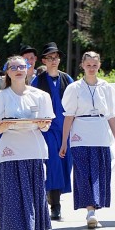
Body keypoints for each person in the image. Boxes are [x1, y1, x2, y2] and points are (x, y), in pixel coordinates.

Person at [0, 55, 54, 230]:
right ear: (7, 71)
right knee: (14, 195)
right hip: (10, 151)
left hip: (33, 149)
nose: (18, 70)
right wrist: (5, 124)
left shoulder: (40, 96)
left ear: (27, 69)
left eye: (21, 66)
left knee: (33, 193)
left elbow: (46, 125)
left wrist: (43, 124)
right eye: (13, 67)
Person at [59, 51, 115, 229]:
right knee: (83, 172)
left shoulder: (107, 88)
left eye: (95, 65)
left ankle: (93, 209)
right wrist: (64, 142)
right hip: (80, 135)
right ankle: (90, 211)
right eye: (88, 65)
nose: (92, 68)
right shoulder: (74, 88)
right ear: (82, 66)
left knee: (97, 173)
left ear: (99, 65)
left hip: (100, 135)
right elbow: (69, 116)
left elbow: (111, 115)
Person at [32, 42, 73, 220]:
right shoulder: (38, 80)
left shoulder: (67, 79)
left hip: (65, 129)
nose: (53, 60)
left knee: (66, 164)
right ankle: (55, 205)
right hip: (47, 129)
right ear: (44, 60)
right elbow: (31, 101)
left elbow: (75, 102)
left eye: (56, 57)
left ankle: (53, 196)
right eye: (50, 58)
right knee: (54, 163)